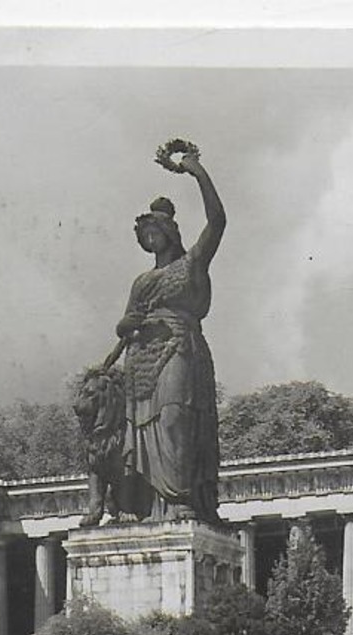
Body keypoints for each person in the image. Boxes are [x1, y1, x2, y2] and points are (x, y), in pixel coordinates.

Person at [112, 142, 225, 525]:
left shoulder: (191, 263)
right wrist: (131, 325)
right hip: (141, 359)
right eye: (143, 234)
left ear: (168, 232)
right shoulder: (143, 281)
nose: (149, 238)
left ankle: (179, 499)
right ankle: (148, 504)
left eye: (153, 230)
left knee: (176, 417)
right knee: (141, 428)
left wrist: (196, 172)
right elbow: (125, 323)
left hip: (180, 345)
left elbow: (218, 222)